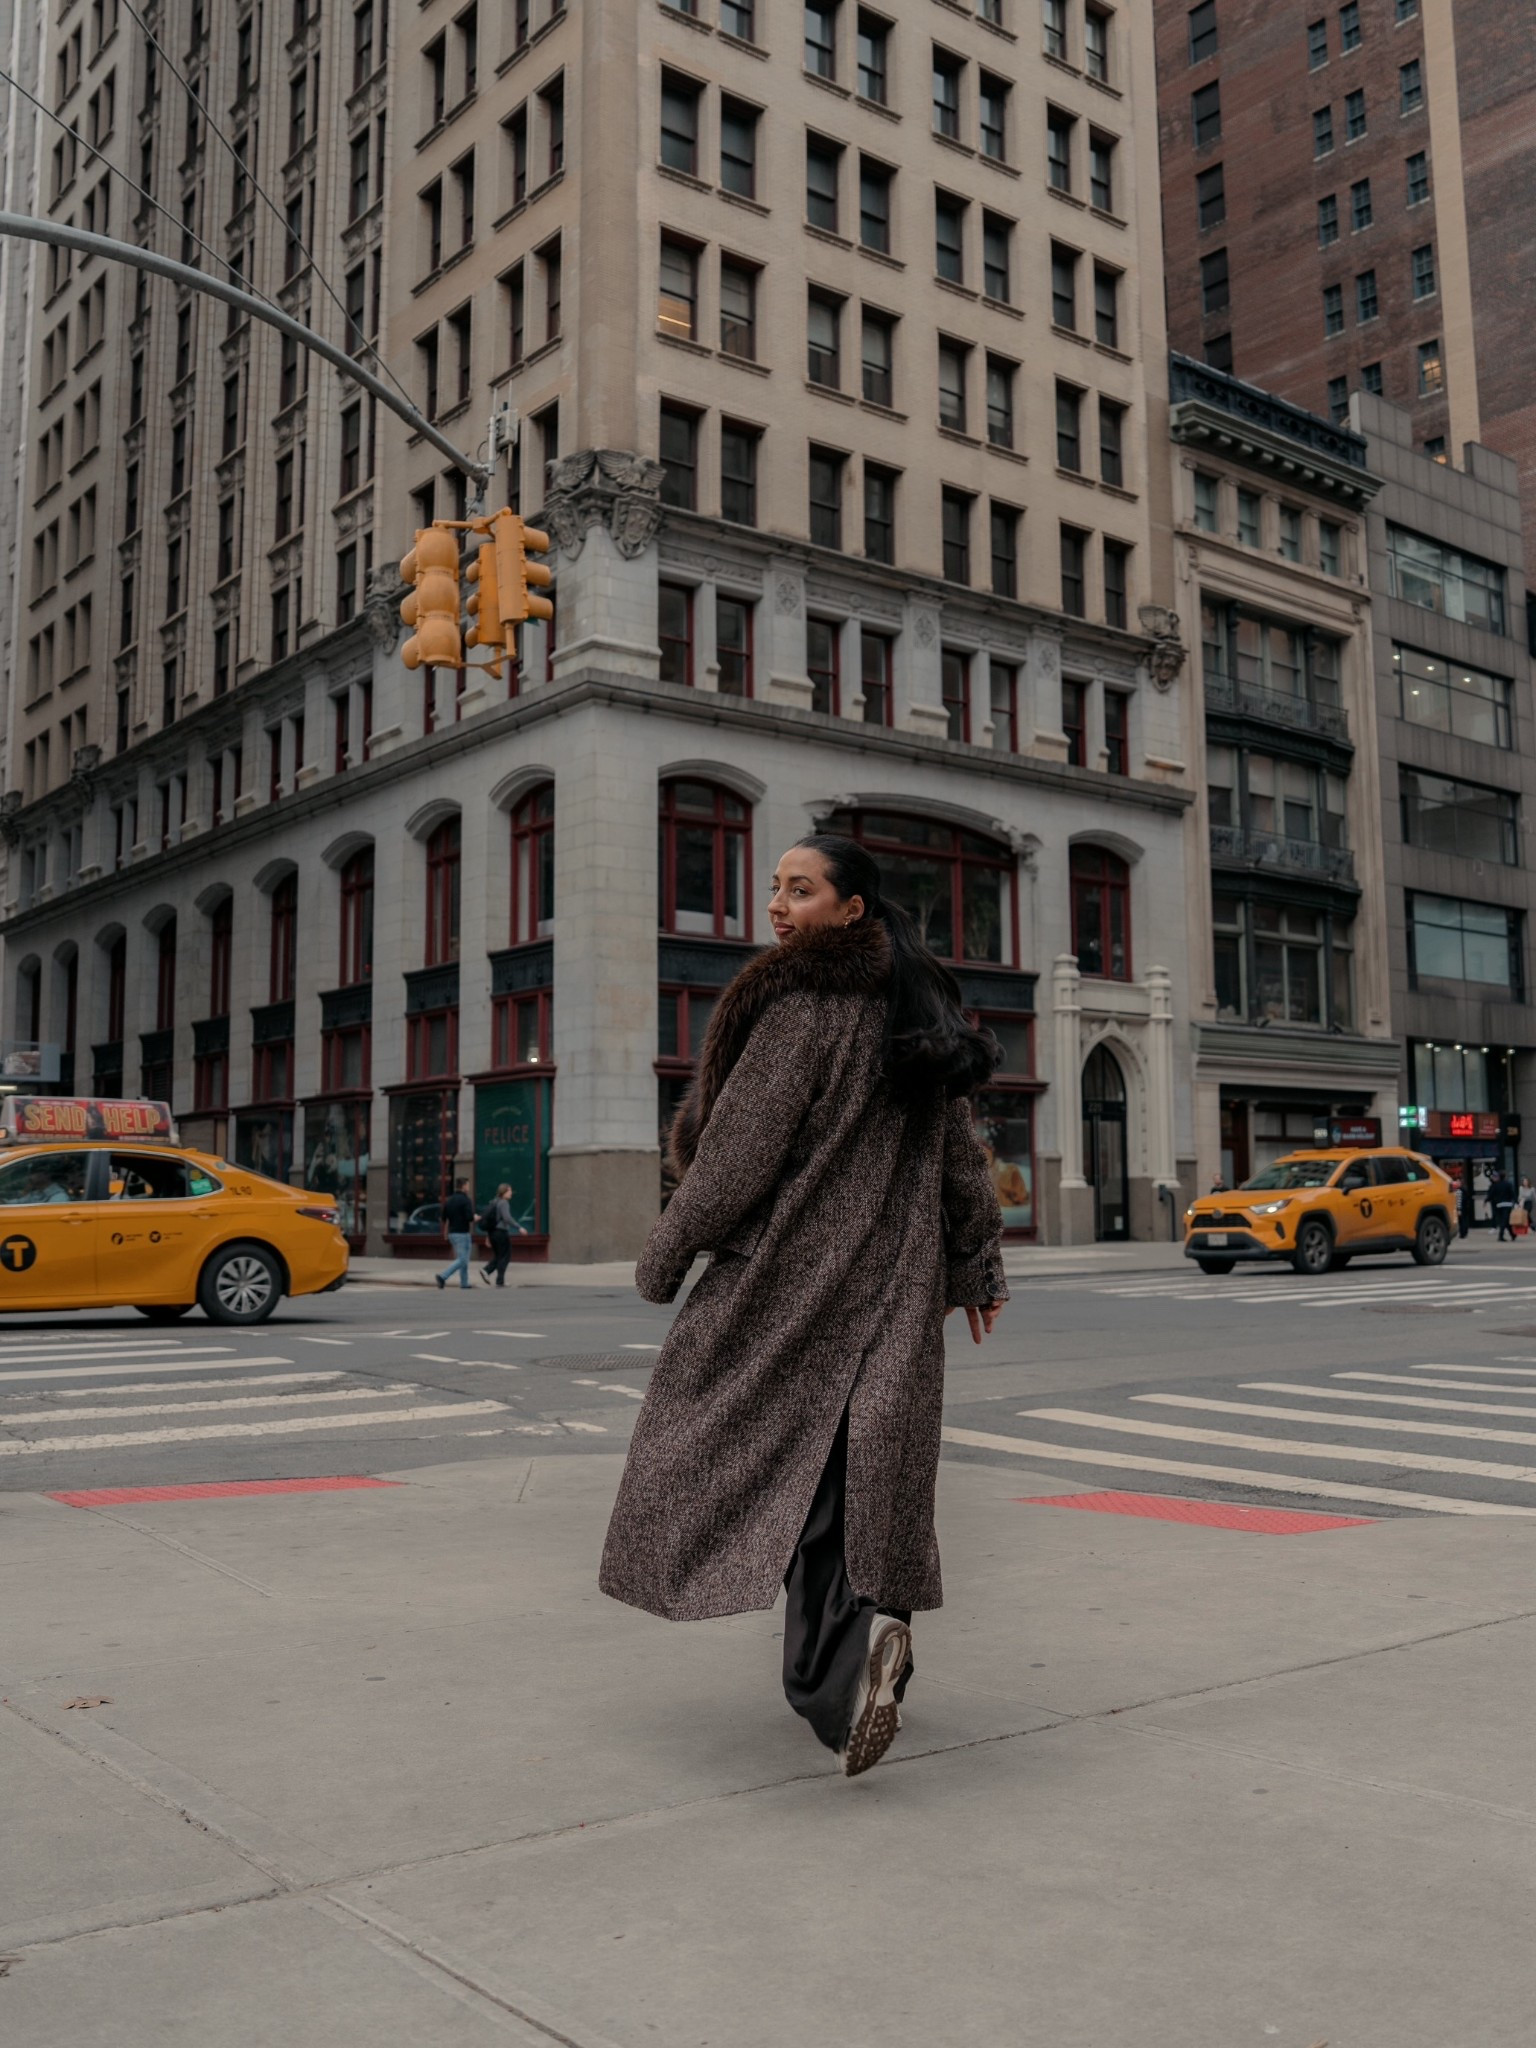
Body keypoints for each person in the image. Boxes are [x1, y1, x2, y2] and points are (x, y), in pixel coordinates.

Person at [601, 832, 1007, 1779]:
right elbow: (961, 1159)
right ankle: (872, 1647)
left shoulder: (801, 1011)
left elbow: (733, 1162)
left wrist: (664, 1255)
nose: (779, 907)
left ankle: (840, 1678)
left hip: (794, 1282)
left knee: (742, 1460)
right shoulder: (916, 1017)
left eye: (803, 891)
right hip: (897, 1290)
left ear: (851, 910)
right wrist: (976, 1264)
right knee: (861, 1476)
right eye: (776, 889)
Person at [435, 1178, 476, 1289]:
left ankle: (464, 1283)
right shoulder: (466, 1200)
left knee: (463, 1258)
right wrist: (475, 1217)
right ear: (463, 1186)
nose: (468, 1187)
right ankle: (443, 1276)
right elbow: (469, 1217)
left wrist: (445, 1232)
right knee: (463, 1259)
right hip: (463, 1233)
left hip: (452, 1233)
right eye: (467, 1185)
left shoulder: (449, 1200)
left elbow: (443, 1218)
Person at [480, 1183, 521, 1285]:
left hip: (493, 1233)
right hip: (501, 1233)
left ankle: (495, 1277)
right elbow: (507, 1218)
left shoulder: (494, 1202)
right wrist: (518, 1227)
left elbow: (491, 1221)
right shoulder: (504, 1203)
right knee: (505, 1256)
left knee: (499, 1256)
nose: (511, 1193)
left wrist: (488, 1236)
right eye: (509, 1191)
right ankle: (491, 1273)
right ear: (504, 1192)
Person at [1490, 1169, 1517, 1242]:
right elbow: (1512, 1193)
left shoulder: (1496, 1185)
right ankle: (1501, 1235)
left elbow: (1492, 1194)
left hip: (1499, 1205)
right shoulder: (1508, 1184)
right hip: (1507, 1204)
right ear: (1505, 1176)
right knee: (1504, 1220)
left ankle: (1512, 1234)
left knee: (1505, 1220)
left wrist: (1487, 1200)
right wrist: (1516, 1201)